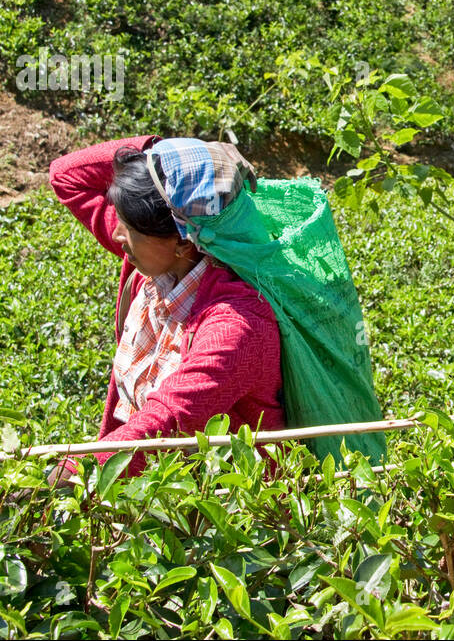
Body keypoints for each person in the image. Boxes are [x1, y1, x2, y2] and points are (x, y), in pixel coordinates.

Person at [47, 135, 284, 482]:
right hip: (154, 485)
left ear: (182, 239)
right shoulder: (158, 266)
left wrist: (62, 480)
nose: (115, 234)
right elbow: (66, 176)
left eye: (127, 225)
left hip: (226, 513)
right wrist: (163, 158)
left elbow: (167, 422)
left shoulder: (238, 325)